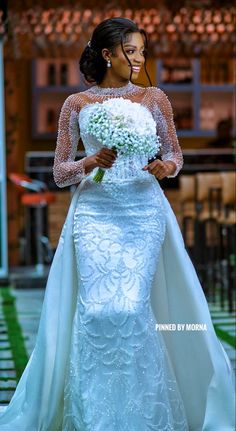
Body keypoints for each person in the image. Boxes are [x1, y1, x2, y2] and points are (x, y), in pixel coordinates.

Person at [0, 17, 235, 431]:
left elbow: (176, 157)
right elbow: (59, 172)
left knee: (130, 307)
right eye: (131, 50)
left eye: (143, 50)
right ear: (107, 54)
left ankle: (143, 414)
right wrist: (91, 161)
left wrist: (165, 166)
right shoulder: (76, 104)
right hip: (94, 215)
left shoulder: (155, 98)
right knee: (98, 312)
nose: (139, 58)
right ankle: (95, 415)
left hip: (143, 213)